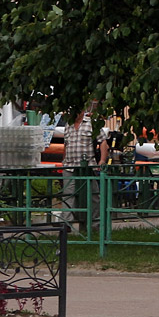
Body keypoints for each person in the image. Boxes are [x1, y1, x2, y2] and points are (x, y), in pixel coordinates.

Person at [60, 100, 109, 233]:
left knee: (93, 195)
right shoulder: (68, 126)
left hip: (88, 166)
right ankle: (66, 224)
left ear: (82, 111)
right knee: (68, 195)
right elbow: (66, 144)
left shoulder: (91, 123)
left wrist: (102, 160)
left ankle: (95, 224)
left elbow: (103, 141)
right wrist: (63, 161)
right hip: (70, 166)